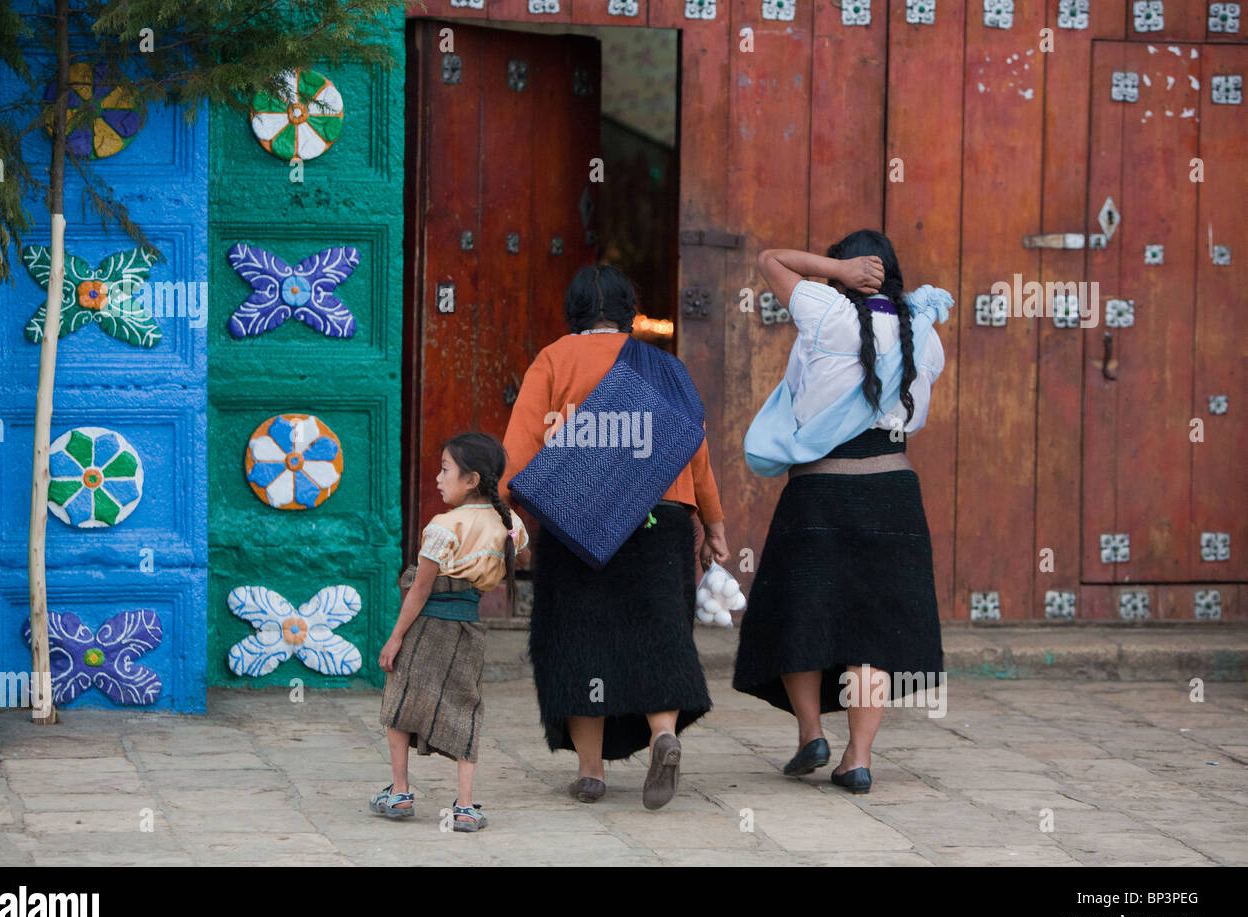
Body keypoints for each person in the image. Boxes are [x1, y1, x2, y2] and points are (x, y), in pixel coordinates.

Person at [500, 264, 729, 810]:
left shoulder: (554, 358)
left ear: (572, 309)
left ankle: (590, 772)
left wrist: (507, 508)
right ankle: (663, 733)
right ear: (630, 309)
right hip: (663, 518)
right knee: (659, 633)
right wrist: (713, 527)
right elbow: (694, 449)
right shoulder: (665, 368)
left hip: (577, 517)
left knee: (577, 637)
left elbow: (520, 444)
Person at [733, 229, 953, 795]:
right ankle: (858, 758)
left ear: (849, 270)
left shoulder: (826, 311)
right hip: (894, 492)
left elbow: (771, 258)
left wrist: (836, 271)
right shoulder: (924, 334)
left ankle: (812, 733)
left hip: (820, 490)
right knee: (872, 630)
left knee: (799, 610)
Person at [372, 432, 528, 832]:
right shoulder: (509, 523)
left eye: (445, 470)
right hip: (468, 629)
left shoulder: (443, 526)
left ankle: (401, 792)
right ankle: (464, 806)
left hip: (427, 626)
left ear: (472, 479)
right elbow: (519, 546)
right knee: (465, 706)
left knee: (400, 701)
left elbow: (421, 589)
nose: (439, 478)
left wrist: (395, 638)